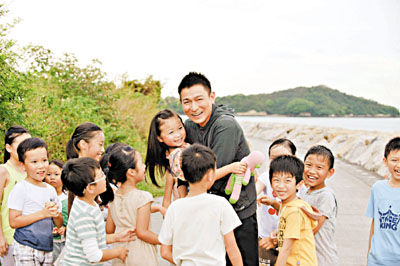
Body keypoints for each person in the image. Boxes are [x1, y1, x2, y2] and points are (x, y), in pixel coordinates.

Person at [178, 72, 257, 265]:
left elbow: (208, 175)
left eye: (199, 99)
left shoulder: (225, 125)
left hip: (239, 211)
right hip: (210, 211)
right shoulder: (189, 126)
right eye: (186, 102)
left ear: (212, 97)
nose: (193, 107)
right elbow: (182, 172)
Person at [159, 144, 243, 265]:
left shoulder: (174, 208)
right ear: (209, 175)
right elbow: (232, 248)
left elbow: (164, 252)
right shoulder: (220, 204)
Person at [145, 108, 247, 209]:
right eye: (171, 132)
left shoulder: (182, 148)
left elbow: (167, 199)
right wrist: (231, 168)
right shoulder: (178, 157)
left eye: (180, 128)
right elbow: (203, 178)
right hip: (190, 207)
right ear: (159, 138)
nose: (178, 134)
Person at [61, 157, 135, 265]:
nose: (105, 177)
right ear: (90, 188)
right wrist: (118, 252)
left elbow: (93, 237)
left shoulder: (88, 203)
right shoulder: (84, 214)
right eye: (101, 175)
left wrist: (116, 237)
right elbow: (94, 256)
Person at [8, 137, 63, 265]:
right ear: (22, 165)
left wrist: (55, 214)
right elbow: (13, 221)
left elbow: (59, 223)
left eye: (44, 160)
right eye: (34, 162)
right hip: (25, 246)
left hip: (47, 247)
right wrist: (43, 213)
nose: (41, 166)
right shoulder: (21, 188)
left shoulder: (50, 190)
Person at [104, 145, 160, 266]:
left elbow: (109, 230)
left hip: (120, 253)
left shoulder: (113, 197)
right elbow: (142, 233)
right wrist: (164, 240)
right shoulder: (143, 197)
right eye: (141, 163)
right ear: (131, 172)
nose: (144, 166)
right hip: (141, 254)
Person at [269, 155, 317, 266]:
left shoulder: (294, 211)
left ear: (299, 184)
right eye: (276, 180)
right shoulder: (290, 205)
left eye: (287, 181)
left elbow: (286, 248)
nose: (281, 186)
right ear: (271, 183)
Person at [256, 138, 297, 266]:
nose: (279, 162)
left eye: (283, 157)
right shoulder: (266, 176)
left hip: (289, 239)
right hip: (266, 237)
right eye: (273, 158)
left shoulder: (298, 181)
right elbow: (255, 191)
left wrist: (273, 203)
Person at [299, 145, 338, 266]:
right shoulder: (304, 192)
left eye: (319, 167)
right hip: (308, 257)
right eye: (308, 165)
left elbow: (312, 229)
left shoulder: (326, 196)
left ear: (330, 172)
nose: (312, 171)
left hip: (323, 259)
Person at [366, 137, 400, 265]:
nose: (398, 165)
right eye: (394, 160)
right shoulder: (377, 188)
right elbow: (374, 225)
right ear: (385, 161)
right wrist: (369, 256)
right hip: (376, 260)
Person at [0, 126, 31, 265]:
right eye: (21, 145)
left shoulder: (31, 170)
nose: (26, 149)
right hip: (10, 238)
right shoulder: (4, 171)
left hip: (31, 238)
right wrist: (0, 238)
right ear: (9, 148)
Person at [66, 122, 105, 214]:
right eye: (100, 144)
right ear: (83, 144)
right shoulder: (78, 172)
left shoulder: (90, 168)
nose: (103, 150)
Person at [45, 159, 68, 263]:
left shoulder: (68, 198)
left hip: (66, 242)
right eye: (48, 174)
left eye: (56, 174)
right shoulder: (43, 198)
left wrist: (65, 228)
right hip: (49, 242)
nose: (52, 177)